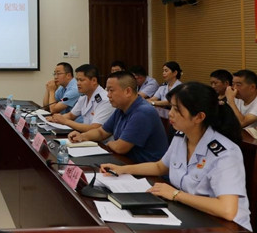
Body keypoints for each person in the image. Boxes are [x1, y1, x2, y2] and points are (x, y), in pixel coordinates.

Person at [100, 82, 251, 231]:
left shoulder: (225, 153)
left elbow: (227, 210)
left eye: (177, 109)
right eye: (171, 107)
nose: (170, 113)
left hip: (223, 226)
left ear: (199, 117)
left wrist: (175, 194)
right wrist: (122, 169)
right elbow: (160, 167)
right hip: (191, 216)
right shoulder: (181, 137)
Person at [69, 71, 168, 163]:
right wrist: (82, 136)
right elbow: (101, 132)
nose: (108, 95)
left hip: (144, 169)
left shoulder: (143, 112)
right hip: (125, 162)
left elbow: (121, 148)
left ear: (128, 91)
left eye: (111, 90)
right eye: (107, 90)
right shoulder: (121, 108)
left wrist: (109, 144)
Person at [48, 64, 115, 132]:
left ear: (94, 80)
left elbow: (95, 128)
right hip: (86, 135)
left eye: (81, 80)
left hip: (98, 138)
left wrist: (65, 121)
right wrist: (54, 119)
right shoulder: (84, 97)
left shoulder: (105, 100)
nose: (78, 83)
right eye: (77, 80)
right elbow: (71, 115)